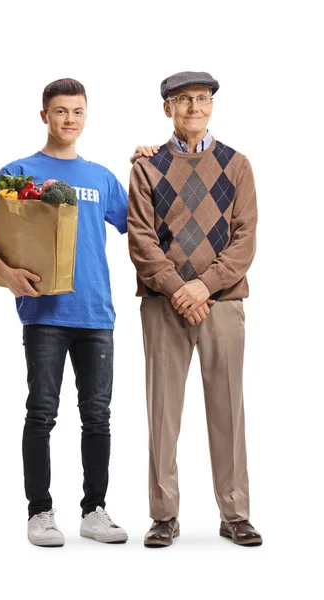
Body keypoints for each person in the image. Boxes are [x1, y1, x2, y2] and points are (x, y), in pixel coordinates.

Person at [0, 78, 129, 547]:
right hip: (45, 315)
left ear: (85, 117)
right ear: (44, 116)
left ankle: (95, 510)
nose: (69, 119)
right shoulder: (19, 172)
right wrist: (7, 273)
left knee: (98, 416)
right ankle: (40, 513)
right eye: (60, 111)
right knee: (42, 413)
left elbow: (141, 227)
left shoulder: (101, 178)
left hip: (97, 314)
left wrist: (151, 162)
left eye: (77, 111)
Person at [128, 71, 262, 547]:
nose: (193, 108)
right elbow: (142, 242)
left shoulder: (237, 165)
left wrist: (202, 287)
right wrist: (178, 289)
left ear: (212, 106)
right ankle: (164, 516)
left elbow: (244, 241)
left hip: (222, 304)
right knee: (162, 411)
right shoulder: (146, 168)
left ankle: (235, 513)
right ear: (167, 108)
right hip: (164, 305)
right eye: (183, 100)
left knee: (229, 409)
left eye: (201, 99)